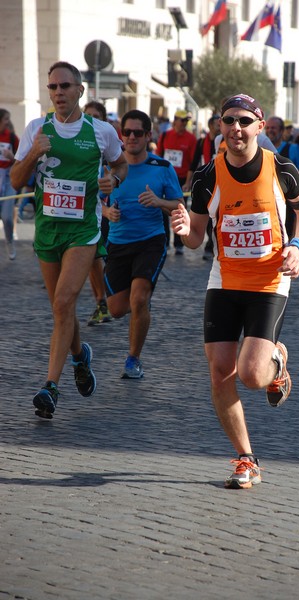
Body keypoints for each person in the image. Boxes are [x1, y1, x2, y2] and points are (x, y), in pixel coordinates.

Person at [170, 93, 299, 489]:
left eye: (244, 121)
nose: (236, 128)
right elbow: (198, 237)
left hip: (270, 280)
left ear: (260, 126)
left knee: (252, 375)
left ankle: (276, 364)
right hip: (225, 278)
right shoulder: (206, 177)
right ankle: (245, 458)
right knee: (220, 372)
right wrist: (185, 233)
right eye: (229, 120)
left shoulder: (280, 169)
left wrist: (297, 246)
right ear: (220, 125)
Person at [10, 61, 127, 418]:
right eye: (52, 88)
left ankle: (50, 387)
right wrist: (33, 153)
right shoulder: (35, 128)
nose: (58, 93)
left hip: (83, 232)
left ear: (80, 90)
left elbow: (120, 165)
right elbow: (16, 181)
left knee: (64, 301)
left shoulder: (100, 131)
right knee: (61, 309)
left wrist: (114, 181)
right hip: (47, 231)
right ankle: (80, 356)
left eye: (65, 86)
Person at [104, 109, 183, 378]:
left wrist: (159, 202)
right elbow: (90, 201)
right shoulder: (110, 167)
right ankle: (142, 306)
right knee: (115, 310)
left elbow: (180, 205)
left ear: (149, 135)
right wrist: (106, 213)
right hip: (117, 243)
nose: (132, 137)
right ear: (121, 135)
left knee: (138, 298)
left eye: (138, 132)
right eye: (127, 132)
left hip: (150, 240)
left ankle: (133, 359)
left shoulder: (162, 168)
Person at [83, 100, 113, 326]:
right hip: (87, 213)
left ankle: (112, 300)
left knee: (102, 259)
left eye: (95, 116)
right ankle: (101, 302)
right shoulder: (80, 146)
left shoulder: (109, 148)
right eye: (87, 115)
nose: (90, 120)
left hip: (109, 213)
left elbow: (121, 172)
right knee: (94, 259)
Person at [156, 109, 196, 254]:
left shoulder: (191, 138)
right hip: (164, 178)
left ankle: (179, 243)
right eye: (183, 120)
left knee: (180, 211)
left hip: (181, 179)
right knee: (162, 209)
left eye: (187, 121)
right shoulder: (165, 135)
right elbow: (158, 156)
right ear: (175, 121)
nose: (185, 123)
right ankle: (165, 241)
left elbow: (193, 162)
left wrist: (189, 181)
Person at [185, 114, 221, 260]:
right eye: (216, 124)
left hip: (222, 180)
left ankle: (213, 245)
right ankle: (210, 244)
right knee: (206, 214)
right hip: (207, 180)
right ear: (210, 126)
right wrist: (188, 182)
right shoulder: (202, 142)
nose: (218, 127)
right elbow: (194, 163)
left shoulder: (224, 140)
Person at [0, 108, 19, 259]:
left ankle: (9, 241)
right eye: (6, 119)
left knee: (7, 216)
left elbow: (22, 160)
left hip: (8, 177)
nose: (8, 122)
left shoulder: (12, 138)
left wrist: (12, 157)